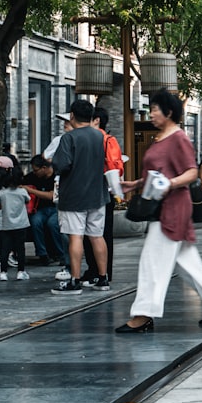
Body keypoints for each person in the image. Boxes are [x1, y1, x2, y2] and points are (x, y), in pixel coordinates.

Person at [115, 89, 202, 333]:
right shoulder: (161, 138)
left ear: (168, 112)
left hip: (172, 208)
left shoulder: (178, 138)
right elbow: (157, 173)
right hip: (162, 206)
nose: (151, 113)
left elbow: (190, 172)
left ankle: (143, 314)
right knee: (185, 262)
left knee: (152, 262)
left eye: (155, 109)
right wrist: (135, 183)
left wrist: (169, 184)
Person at [51, 99, 109, 295]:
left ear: (72, 116)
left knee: (75, 236)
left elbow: (62, 165)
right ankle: (102, 278)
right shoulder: (99, 136)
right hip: (97, 193)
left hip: (74, 194)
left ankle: (74, 280)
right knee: (96, 236)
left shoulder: (69, 138)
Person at [81, 106, 124, 284]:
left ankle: (103, 271)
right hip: (89, 190)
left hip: (102, 191)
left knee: (102, 234)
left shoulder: (107, 140)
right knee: (87, 234)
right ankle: (94, 269)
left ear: (96, 120)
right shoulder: (88, 138)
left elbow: (115, 167)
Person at [22, 155, 69, 268]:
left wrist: (31, 190)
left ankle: (61, 254)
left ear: (44, 168)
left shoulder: (56, 177)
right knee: (35, 222)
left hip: (56, 208)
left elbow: (51, 195)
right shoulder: (32, 177)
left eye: (36, 170)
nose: (34, 173)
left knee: (53, 224)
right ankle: (42, 254)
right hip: (40, 209)